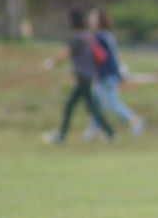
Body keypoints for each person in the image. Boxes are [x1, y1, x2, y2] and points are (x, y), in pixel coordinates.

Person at [42, 8, 115, 145]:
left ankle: (62, 136)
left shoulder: (79, 37)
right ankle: (109, 133)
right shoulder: (87, 36)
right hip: (88, 76)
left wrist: (50, 62)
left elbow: (66, 53)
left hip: (84, 77)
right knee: (86, 107)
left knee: (78, 106)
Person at [85, 7, 145, 138]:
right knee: (97, 101)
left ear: (99, 21)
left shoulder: (99, 37)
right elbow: (115, 56)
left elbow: (101, 58)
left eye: (93, 18)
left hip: (106, 75)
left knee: (111, 103)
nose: (90, 20)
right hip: (111, 73)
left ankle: (135, 121)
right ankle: (95, 127)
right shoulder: (108, 35)